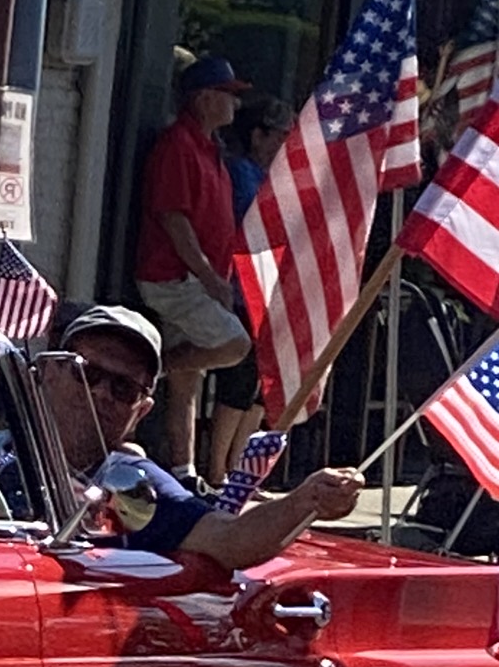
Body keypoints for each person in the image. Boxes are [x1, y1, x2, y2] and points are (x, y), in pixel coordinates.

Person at [44, 304, 363, 568]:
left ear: (141, 411)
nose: (100, 393)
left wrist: (307, 500)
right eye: (86, 372)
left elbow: (229, 539)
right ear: (48, 372)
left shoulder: (128, 483)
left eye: (123, 388)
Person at [134, 54, 255, 484]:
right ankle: (149, 368)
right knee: (236, 345)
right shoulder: (177, 146)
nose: (235, 105)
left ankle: (183, 472)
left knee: (190, 380)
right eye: (227, 95)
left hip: (196, 281)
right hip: (172, 278)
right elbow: (173, 218)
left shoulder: (211, 150)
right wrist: (210, 277)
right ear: (204, 98)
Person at [207, 94, 293, 486]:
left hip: (273, 293)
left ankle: (242, 470)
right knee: (237, 382)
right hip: (244, 290)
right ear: (258, 136)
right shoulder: (240, 173)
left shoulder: (277, 179)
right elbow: (247, 227)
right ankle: (217, 468)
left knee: (262, 387)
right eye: (278, 136)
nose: (284, 145)